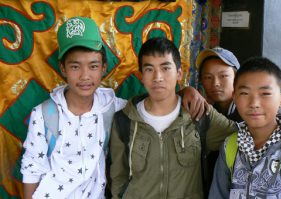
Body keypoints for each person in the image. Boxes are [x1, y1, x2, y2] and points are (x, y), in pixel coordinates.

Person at [20, 17, 207, 199]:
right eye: (75, 66)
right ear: (62, 68)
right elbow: (32, 169)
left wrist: (186, 91)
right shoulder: (44, 114)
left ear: (103, 67)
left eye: (93, 66)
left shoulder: (113, 108)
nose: (85, 76)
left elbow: (154, 103)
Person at [109, 37, 239, 199]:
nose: (158, 77)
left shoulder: (199, 114)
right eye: (149, 69)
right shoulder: (124, 119)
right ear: (141, 76)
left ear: (179, 73)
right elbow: (118, 177)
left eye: (165, 68)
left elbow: (247, 136)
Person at [196, 47, 281, 197]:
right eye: (244, 93)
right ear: (235, 96)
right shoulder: (230, 146)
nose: (254, 103)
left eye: (265, 94)